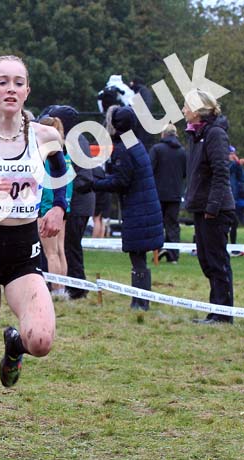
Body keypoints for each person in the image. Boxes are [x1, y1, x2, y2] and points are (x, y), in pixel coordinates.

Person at [0, 61, 69, 459]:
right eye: (2, 82)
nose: (10, 88)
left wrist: (59, 208)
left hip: (24, 250)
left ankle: (16, 345)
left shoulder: (44, 135)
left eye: (18, 82)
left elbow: (62, 172)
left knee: (42, 340)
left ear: (27, 91)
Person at [89, 106, 163, 310]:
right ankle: (140, 300)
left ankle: (140, 302)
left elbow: (121, 181)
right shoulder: (134, 143)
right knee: (139, 258)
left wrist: (94, 184)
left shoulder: (124, 148)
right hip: (144, 207)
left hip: (138, 210)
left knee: (137, 257)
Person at [183, 89, 236, 323]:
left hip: (215, 210)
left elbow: (221, 173)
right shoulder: (196, 135)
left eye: (186, 106)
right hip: (201, 207)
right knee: (206, 261)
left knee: (217, 262)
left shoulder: (215, 134)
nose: (183, 110)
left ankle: (223, 315)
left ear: (197, 110)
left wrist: (212, 207)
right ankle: (216, 311)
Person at [47, 106, 96, 300]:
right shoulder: (78, 139)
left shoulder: (73, 142)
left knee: (69, 247)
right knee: (68, 247)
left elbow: (83, 177)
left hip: (77, 203)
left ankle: (76, 288)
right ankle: (72, 286)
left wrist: (65, 195)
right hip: (79, 202)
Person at [36, 115, 72, 299]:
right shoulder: (65, 154)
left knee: (51, 253)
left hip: (48, 207)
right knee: (60, 250)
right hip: (63, 206)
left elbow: (48, 184)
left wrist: (45, 209)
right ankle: (62, 289)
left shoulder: (47, 154)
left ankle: (56, 291)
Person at [150, 124, 187, 263]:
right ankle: (173, 255)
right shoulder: (182, 151)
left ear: (163, 134)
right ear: (175, 134)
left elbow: (150, 169)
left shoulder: (157, 149)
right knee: (173, 224)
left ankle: (158, 251)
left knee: (157, 223)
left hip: (158, 193)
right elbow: (185, 172)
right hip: (175, 193)